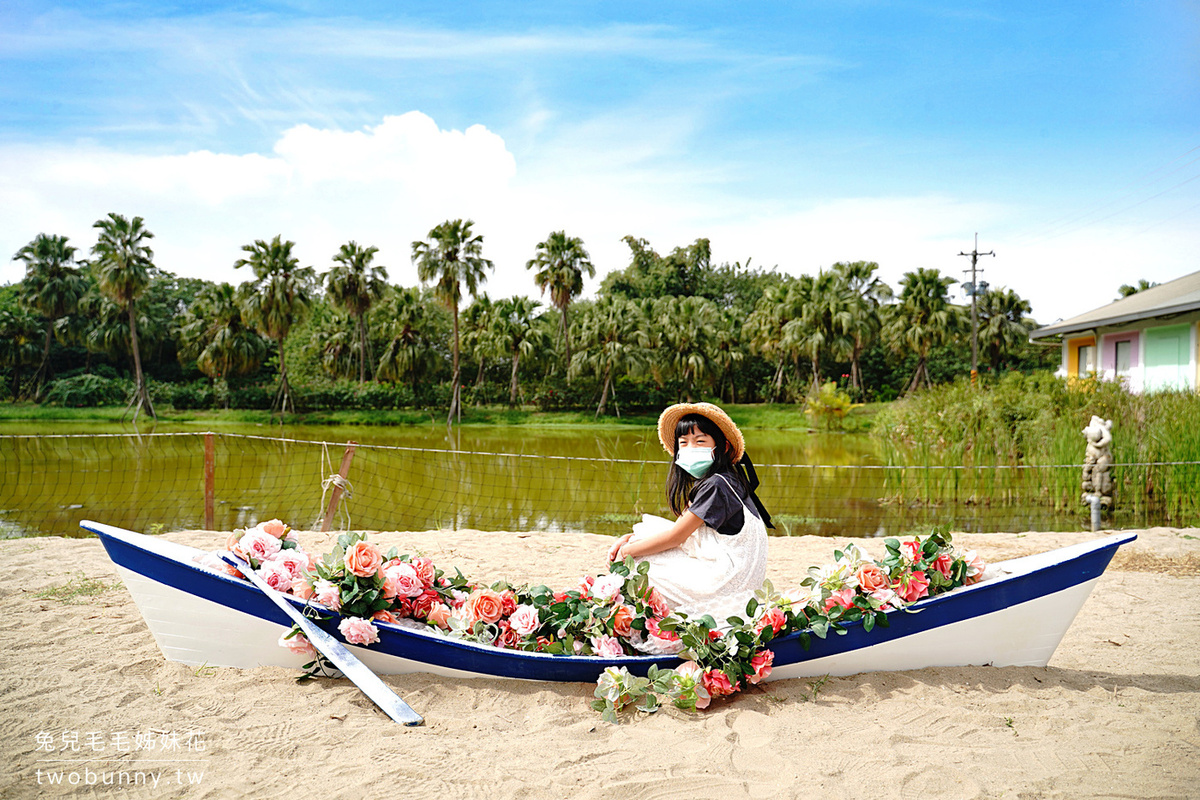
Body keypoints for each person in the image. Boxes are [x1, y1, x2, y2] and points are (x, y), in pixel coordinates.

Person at [607, 402, 770, 626]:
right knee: (642, 536)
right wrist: (629, 540)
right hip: (741, 581)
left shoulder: (716, 485)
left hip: (726, 586)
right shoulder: (728, 479)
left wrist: (626, 551)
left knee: (635, 564)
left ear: (721, 446)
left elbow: (676, 537)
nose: (690, 448)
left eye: (700, 441)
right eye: (683, 443)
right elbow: (680, 529)